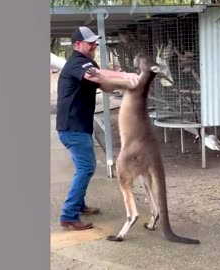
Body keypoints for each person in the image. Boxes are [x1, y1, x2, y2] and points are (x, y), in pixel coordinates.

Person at [56, 26, 141, 230]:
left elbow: (105, 86)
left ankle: (79, 205)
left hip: (78, 126)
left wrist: (121, 81)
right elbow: (97, 75)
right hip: (72, 127)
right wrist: (125, 75)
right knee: (86, 168)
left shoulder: (88, 63)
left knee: (84, 167)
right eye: (90, 42)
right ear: (77, 45)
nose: (94, 45)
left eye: (95, 42)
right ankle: (68, 215)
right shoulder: (77, 62)